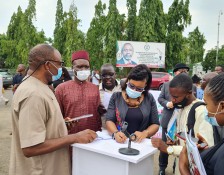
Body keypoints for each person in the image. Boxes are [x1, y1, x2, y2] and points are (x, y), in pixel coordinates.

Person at [9, 44, 97, 175]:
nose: (61, 69)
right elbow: (30, 148)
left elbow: (42, 125)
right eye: (60, 64)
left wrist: (61, 125)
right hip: (40, 170)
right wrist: (75, 137)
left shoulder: (41, 86)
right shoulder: (33, 94)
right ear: (47, 65)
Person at [179, 66, 224, 175]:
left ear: (222, 106)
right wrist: (210, 152)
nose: (205, 110)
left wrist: (183, 167)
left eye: (206, 104)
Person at [152, 73, 214, 175]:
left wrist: (169, 149)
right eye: (171, 96)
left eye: (176, 97)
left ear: (189, 93)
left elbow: (205, 148)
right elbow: (184, 137)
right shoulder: (181, 107)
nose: (172, 100)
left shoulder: (201, 112)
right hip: (180, 166)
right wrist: (175, 141)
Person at [157, 63, 195, 175]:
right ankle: (162, 168)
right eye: (181, 70)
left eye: (186, 70)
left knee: (180, 145)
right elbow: (160, 98)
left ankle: (176, 167)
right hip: (168, 121)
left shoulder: (191, 87)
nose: (184, 72)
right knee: (165, 146)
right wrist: (167, 103)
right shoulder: (166, 85)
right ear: (175, 73)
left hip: (183, 123)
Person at [106, 64, 159, 143]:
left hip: (140, 143)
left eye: (139, 88)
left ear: (145, 85)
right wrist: (116, 133)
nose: (134, 90)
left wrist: (145, 133)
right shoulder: (116, 97)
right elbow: (109, 120)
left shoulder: (149, 98)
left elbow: (155, 124)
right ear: (127, 80)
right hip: (120, 143)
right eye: (132, 86)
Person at [55, 50, 106, 134]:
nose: (83, 69)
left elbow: (97, 114)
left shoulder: (94, 88)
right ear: (72, 68)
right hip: (70, 138)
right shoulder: (61, 89)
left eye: (86, 67)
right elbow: (57, 116)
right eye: (80, 67)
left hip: (92, 137)